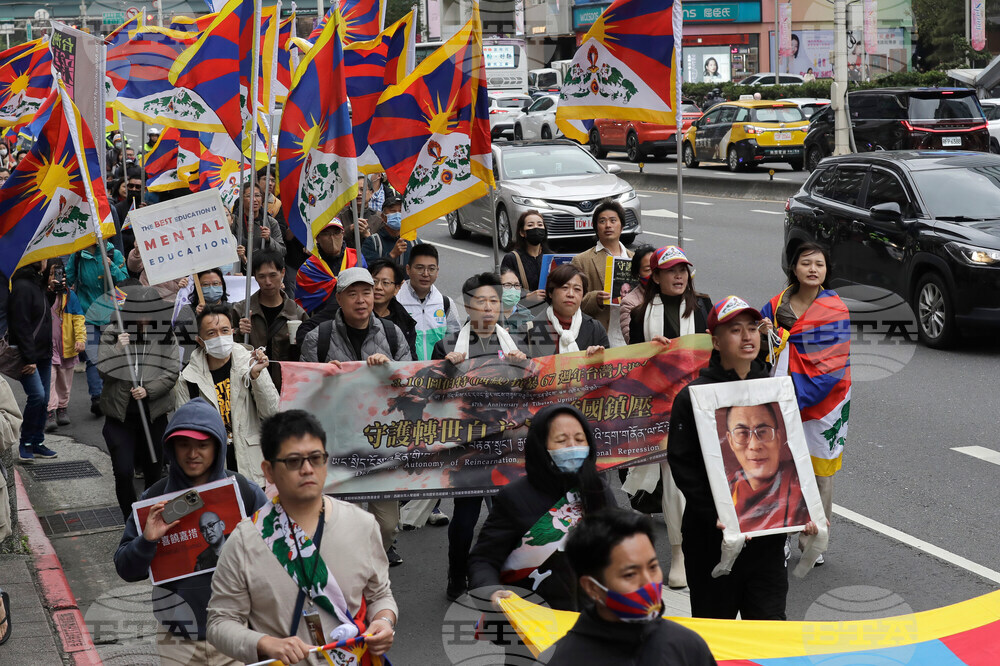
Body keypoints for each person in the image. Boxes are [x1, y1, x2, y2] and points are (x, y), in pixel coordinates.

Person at [667, 296, 818, 620]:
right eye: (735, 330)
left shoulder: (775, 390)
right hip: (712, 540)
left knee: (769, 636)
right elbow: (684, 466)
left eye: (752, 328)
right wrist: (720, 512)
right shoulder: (693, 397)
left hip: (766, 544)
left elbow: (792, 456)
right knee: (717, 638)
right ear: (716, 341)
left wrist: (802, 509)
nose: (747, 336)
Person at [206, 410, 397, 665]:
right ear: (269, 471)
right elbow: (219, 623)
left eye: (316, 458)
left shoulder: (362, 524)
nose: (308, 469)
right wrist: (265, 643)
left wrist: (383, 621)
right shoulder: (244, 541)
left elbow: (379, 595)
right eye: (294, 461)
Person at [114, 398, 267, 666]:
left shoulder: (245, 492)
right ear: (171, 447)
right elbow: (126, 568)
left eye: (202, 445)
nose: (192, 453)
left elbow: (283, 554)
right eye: (184, 444)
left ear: (218, 446)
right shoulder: (155, 499)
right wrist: (147, 541)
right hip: (177, 641)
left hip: (238, 633)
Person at [468, 404, 613, 662]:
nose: (572, 446)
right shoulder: (515, 497)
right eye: (561, 440)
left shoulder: (598, 491)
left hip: (594, 621)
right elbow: (484, 559)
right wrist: (490, 591)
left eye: (579, 439)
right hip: (535, 625)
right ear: (540, 447)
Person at [432, 273, 528, 600]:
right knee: (465, 517)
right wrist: (446, 369)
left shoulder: (516, 344)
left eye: (494, 302)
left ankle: (496, 573)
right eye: (480, 302)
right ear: (468, 306)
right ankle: (456, 574)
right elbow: (429, 398)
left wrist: (524, 367)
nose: (488, 308)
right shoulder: (447, 346)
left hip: (506, 442)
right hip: (467, 445)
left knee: (507, 513)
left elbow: (535, 389)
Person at [760, 242, 850, 561]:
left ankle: (815, 537)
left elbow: (834, 363)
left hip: (826, 403)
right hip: (781, 398)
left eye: (820, 264)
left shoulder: (835, 309)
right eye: (806, 263)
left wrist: (801, 395)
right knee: (782, 467)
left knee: (820, 473)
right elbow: (759, 352)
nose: (813, 269)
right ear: (794, 269)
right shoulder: (773, 307)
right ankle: (780, 535)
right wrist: (764, 335)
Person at [539, 509, 717, 666]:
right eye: (630, 574)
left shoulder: (687, 646)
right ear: (592, 587)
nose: (648, 582)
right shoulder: (561, 660)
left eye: (653, 567)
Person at [173, 304, 279, 487]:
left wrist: (256, 378)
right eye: (212, 333)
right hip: (213, 469)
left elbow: (273, 414)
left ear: (233, 331)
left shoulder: (251, 363)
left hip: (251, 466)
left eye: (224, 330)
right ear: (200, 340)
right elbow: (184, 432)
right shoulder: (188, 379)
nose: (220, 338)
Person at [98, 285, 181, 519]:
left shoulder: (166, 335)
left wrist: (149, 390)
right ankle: (129, 518)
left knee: (154, 472)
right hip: (120, 416)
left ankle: (150, 516)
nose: (143, 319)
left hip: (153, 414)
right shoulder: (114, 333)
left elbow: (172, 371)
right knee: (123, 472)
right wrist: (117, 350)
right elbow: (103, 372)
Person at [724, 404, 810, 532]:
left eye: (763, 432)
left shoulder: (800, 485)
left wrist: (815, 518)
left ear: (778, 438)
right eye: (742, 433)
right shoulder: (724, 490)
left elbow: (810, 519)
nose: (754, 445)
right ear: (730, 441)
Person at [67, 241, 129, 416]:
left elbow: (125, 281)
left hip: (112, 315)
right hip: (88, 314)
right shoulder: (77, 255)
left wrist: (112, 268)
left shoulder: (113, 254)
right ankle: (97, 397)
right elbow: (68, 279)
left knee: (115, 355)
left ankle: (117, 395)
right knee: (93, 358)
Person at [235, 250, 308, 390]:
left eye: (273, 275)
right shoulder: (241, 311)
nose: (268, 282)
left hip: (286, 387)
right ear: (254, 277)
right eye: (262, 276)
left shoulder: (297, 313)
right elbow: (228, 351)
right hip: (250, 386)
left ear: (283, 273)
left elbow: (308, 356)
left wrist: (298, 343)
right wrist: (239, 333)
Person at [10, 261, 58, 461]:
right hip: (28, 356)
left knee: (45, 399)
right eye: (47, 261)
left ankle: (37, 441)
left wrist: (52, 292)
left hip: (43, 353)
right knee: (37, 396)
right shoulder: (22, 285)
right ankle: (26, 442)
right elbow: (20, 324)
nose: (48, 264)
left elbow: (40, 311)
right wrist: (29, 358)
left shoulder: (36, 284)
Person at [571, 200, 634, 346]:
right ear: (596, 227)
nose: (608, 225)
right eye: (602, 221)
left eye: (613, 220)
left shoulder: (634, 259)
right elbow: (573, 301)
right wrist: (595, 298)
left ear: (622, 226)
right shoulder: (582, 260)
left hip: (630, 333)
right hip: (601, 334)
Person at [629, 246, 712, 344]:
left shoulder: (702, 305)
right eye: (671, 270)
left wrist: (715, 342)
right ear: (656, 277)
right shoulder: (640, 314)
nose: (678, 276)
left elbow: (718, 353)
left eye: (682, 270)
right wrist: (650, 349)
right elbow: (636, 356)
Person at [524, 263, 609, 358]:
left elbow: (610, 367)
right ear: (550, 292)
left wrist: (598, 359)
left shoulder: (596, 329)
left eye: (577, 289)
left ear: (583, 295)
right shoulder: (529, 329)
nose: (571, 294)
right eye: (564, 288)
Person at [396, 243, 461, 361]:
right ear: (408, 269)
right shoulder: (396, 302)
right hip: (406, 374)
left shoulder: (446, 304)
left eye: (431, 269)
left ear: (437, 271)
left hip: (438, 374)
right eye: (419, 268)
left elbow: (455, 341)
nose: (425, 274)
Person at [294, 217, 364, 314]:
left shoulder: (357, 259)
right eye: (326, 234)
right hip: (320, 320)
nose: (332, 238)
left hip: (354, 316)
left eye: (336, 233)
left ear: (342, 234)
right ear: (317, 238)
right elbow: (302, 306)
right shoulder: (308, 268)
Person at [45, 267, 86, 432]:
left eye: (59, 274)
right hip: (48, 346)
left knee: (64, 379)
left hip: (66, 345)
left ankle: (62, 407)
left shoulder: (70, 296)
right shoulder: (43, 293)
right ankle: (50, 411)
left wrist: (81, 339)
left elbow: (78, 319)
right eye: (51, 274)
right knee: (50, 378)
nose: (55, 277)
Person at [370, 259, 417, 359]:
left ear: (397, 288)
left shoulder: (406, 322)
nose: (378, 287)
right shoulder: (357, 316)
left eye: (385, 283)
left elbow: (411, 360)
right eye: (374, 281)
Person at [501, 210, 550, 297]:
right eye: (530, 225)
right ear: (522, 232)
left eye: (540, 225)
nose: (536, 228)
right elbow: (506, 289)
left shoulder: (550, 257)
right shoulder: (512, 258)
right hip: (525, 308)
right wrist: (528, 296)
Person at [361, 194, 418, 266]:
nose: (397, 214)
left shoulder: (414, 242)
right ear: (383, 216)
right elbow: (369, 269)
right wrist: (392, 255)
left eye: (401, 211)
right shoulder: (373, 242)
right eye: (393, 211)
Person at [234, 183, 285, 263]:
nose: (254, 199)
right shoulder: (234, 222)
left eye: (257, 195)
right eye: (248, 196)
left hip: (264, 267)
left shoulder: (271, 222)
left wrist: (269, 240)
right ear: (241, 199)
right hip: (240, 271)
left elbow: (282, 251)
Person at [619, 244, 654, 344]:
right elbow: (630, 339)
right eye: (647, 270)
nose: (653, 274)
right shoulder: (629, 303)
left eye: (656, 268)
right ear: (637, 273)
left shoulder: (669, 293)